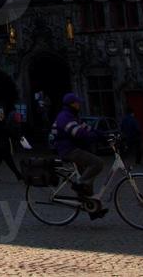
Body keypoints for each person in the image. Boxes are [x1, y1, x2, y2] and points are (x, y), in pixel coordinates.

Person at [53, 92, 108, 220]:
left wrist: (102, 135)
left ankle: (92, 210)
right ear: (72, 104)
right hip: (68, 150)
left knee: (87, 182)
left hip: (74, 148)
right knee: (97, 163)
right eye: (77, 103)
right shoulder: (64, 117)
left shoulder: (73, 116)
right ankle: (79, 183)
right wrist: (94, 137)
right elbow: (78, 133)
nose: (79, 105)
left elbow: (86, 128)